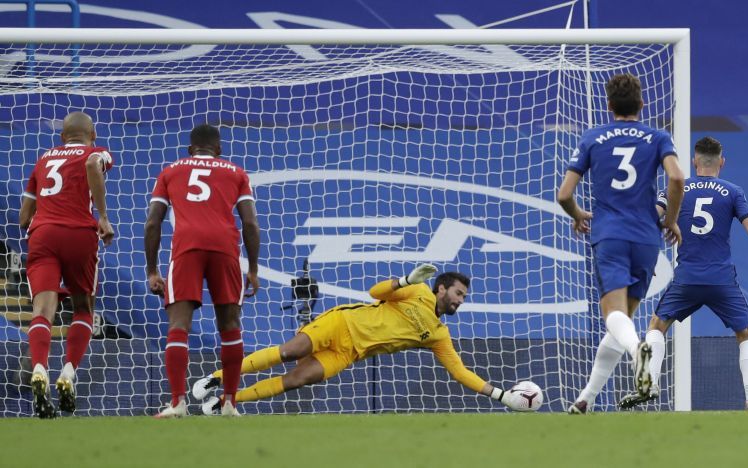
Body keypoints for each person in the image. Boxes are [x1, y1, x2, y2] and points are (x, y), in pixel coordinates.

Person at [191, 264, 531, 414]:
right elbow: (375, 291)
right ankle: (216, 378)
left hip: (349, 353)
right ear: (440, 288)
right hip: (342, 323)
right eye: (458, 293)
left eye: (464, 297)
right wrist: (405, 278)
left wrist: (501, 396)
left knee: (297, 379)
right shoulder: (415, 291)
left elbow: (460, 373)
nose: (460, 300)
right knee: (290, 352)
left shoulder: (439, 335)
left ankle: (228, 402)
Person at [556, 73, 685, 414]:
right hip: (646, 237)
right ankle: (587, 398)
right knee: (622, 320)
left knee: (613, 316)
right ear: (642, 104)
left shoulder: (593, 137)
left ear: (609, 105)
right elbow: (675, 177)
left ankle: (637, 351)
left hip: (610, 233)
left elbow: (564, 194)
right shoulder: (658, 136)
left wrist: (579, 213)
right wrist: (670, 219)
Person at [619, 136, 748, 411]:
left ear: (694, 161)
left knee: (657, 325)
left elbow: (649, 218)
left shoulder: (676, 188)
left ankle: (651, 382)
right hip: (721, 280)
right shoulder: (732, 191)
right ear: (722, 162)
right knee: (746, 333)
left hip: (687, 278)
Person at [144, 124, 261, 418]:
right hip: (224, 248)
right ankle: (230, 403)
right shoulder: (236, 173)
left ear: (189, 150)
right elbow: (250, 223)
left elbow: (152, 223)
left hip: (187, 248)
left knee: (178, 324)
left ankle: (177, 403)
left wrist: (152, 270)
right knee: (230, 325)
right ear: (218, 150)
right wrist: (254, 268)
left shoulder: (170, 171)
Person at [19, 111, 115, 418]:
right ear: (93, 135)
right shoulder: (96, 153)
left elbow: (24, 217)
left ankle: (38, 368)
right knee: (84, 308)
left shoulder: (44, 158)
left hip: (43, 234)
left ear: (63, 137)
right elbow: (91, 165)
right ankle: (69, 372)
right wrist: (102, 215)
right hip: (78, 233)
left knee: (42, 310)